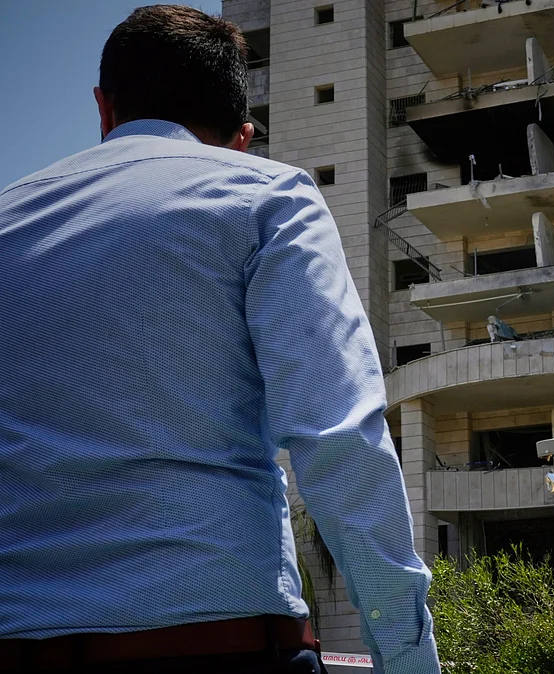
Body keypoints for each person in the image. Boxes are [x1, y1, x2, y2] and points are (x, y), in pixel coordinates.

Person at [0, 6, 437, 674]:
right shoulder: (267, 196)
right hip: (219, 640)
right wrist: (408, 659)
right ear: (241, 136)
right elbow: (339, 438)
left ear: (103, 107)